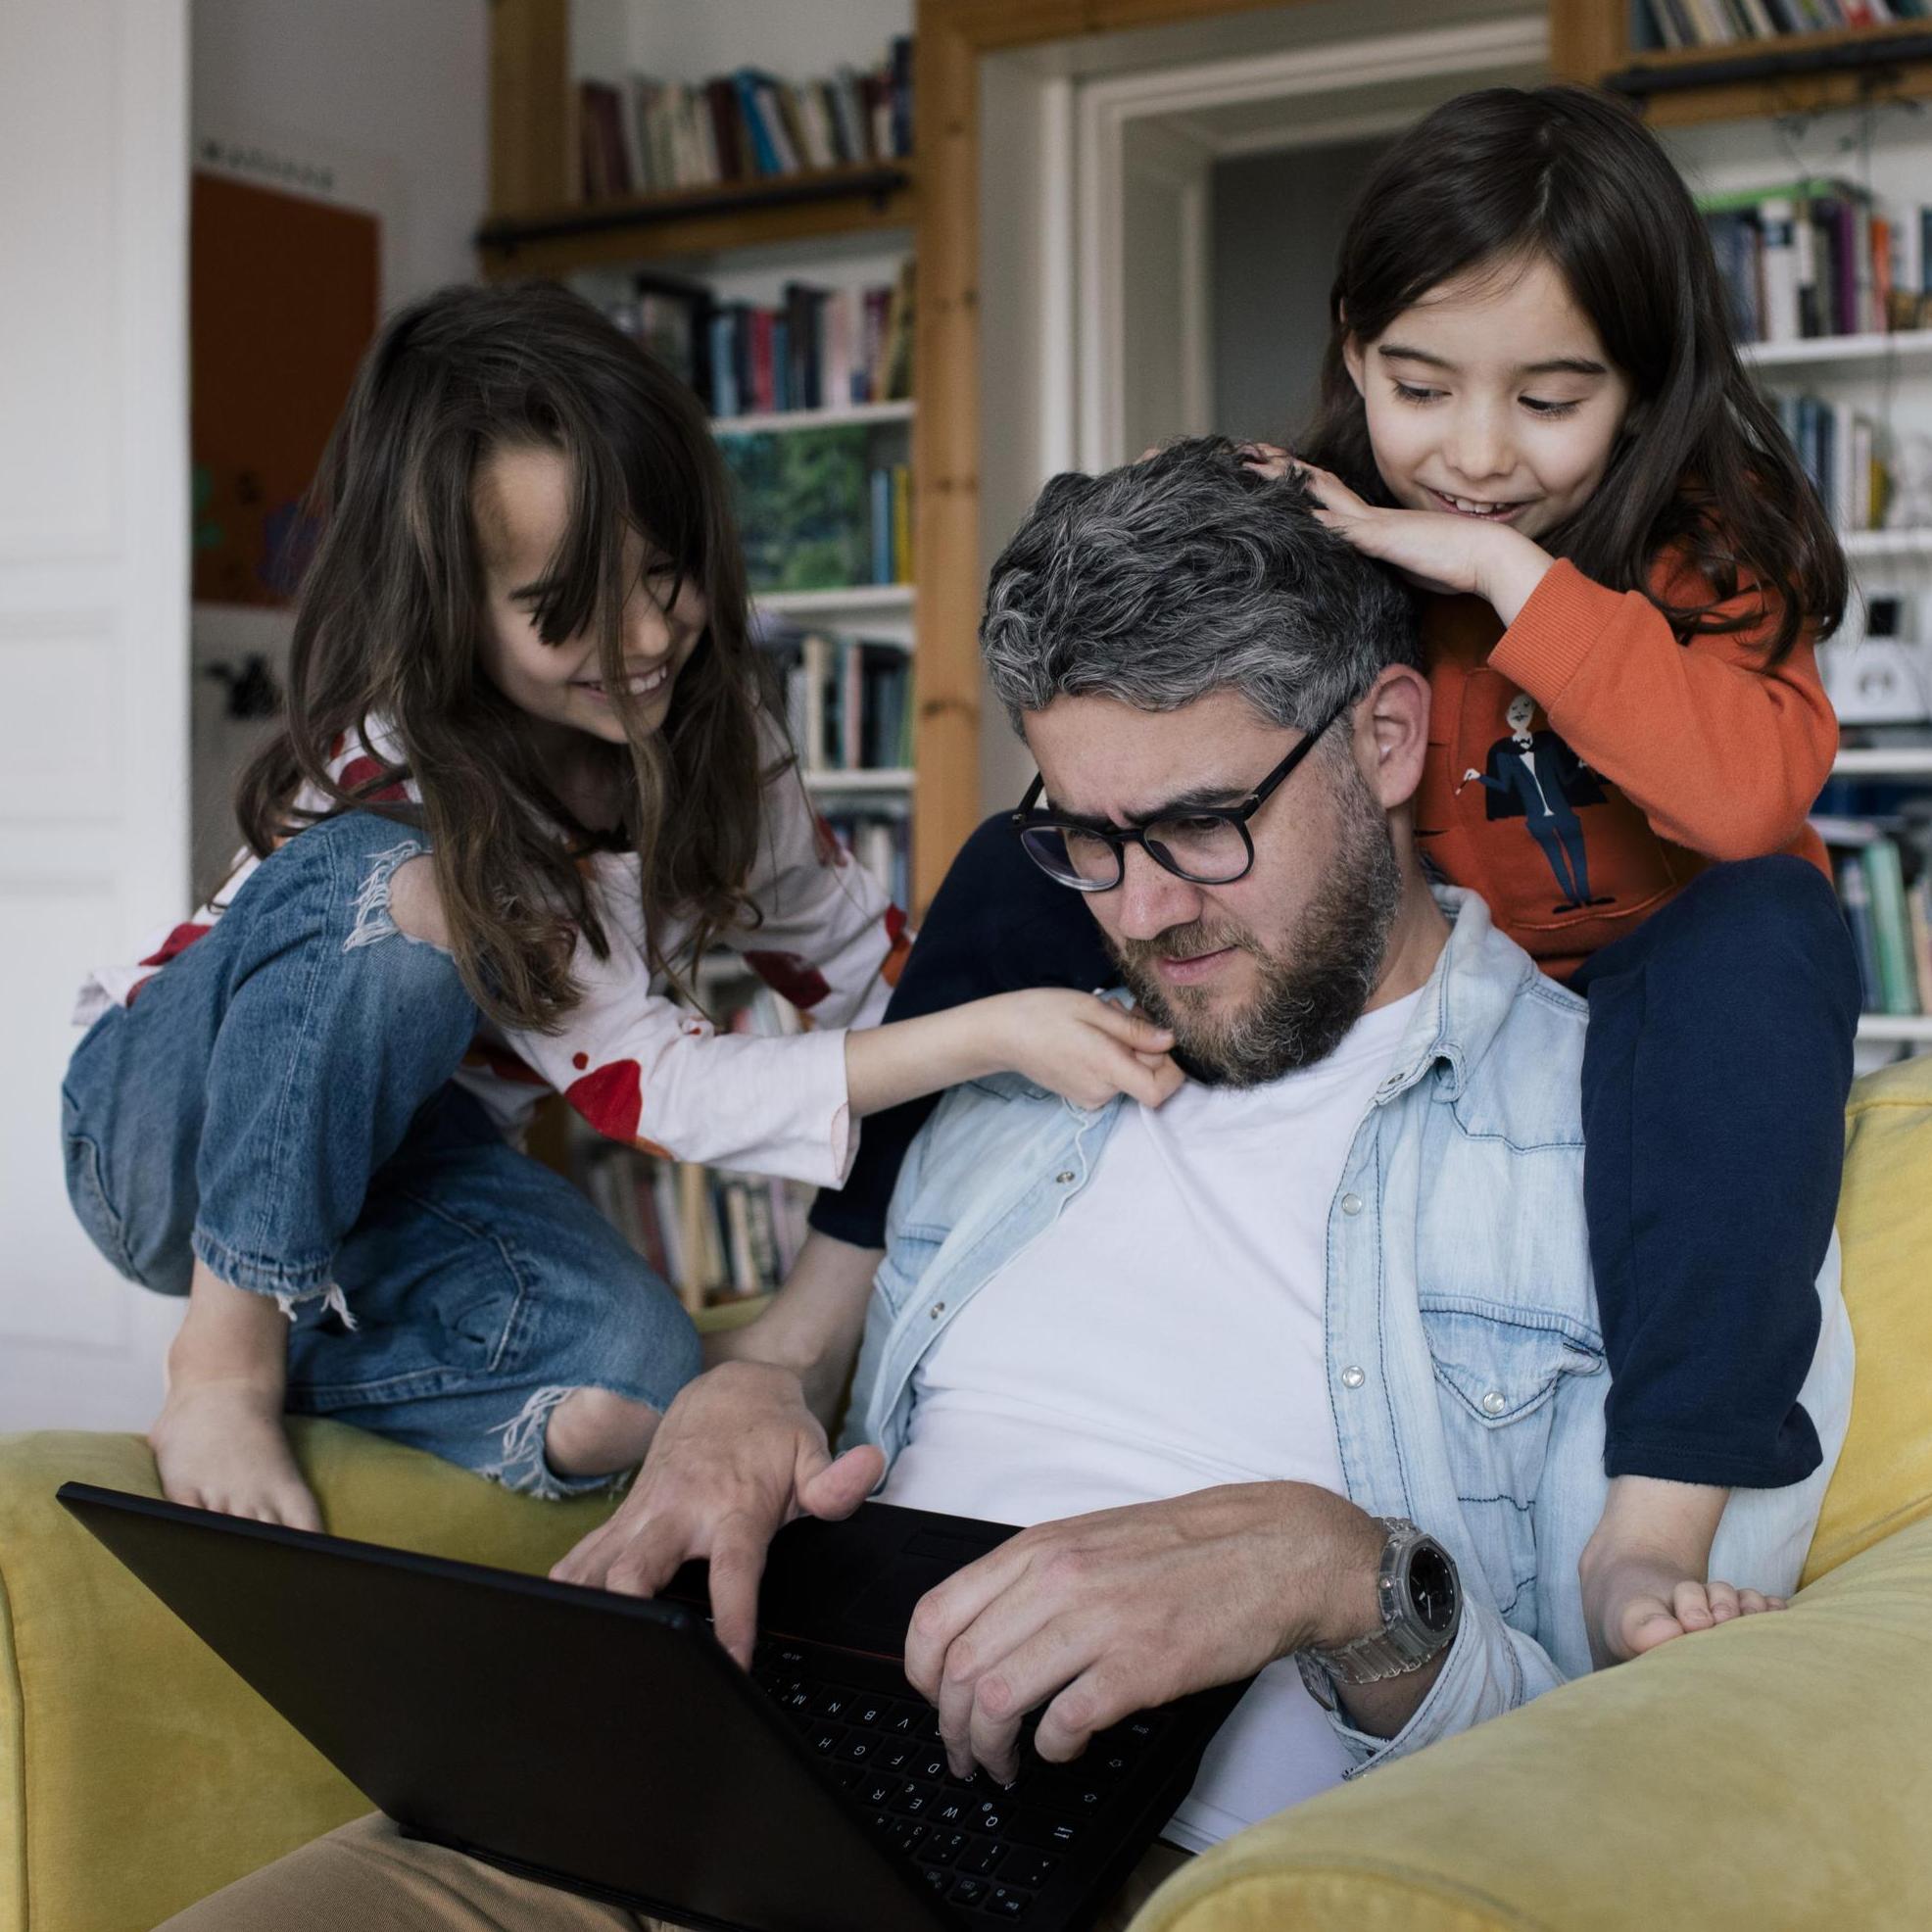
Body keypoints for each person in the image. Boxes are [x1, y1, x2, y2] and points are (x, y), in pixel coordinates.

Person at [156, 439, 1852, 1932]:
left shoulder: (1632, 1131)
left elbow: (1644, 1780)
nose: (1140, 909)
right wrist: (743, 1401)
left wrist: (1341, 1575)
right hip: (691, 1782)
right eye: (1082, 837)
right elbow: (820, 1332)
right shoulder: (1017, 1072)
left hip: (1138, 1869)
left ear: (1387, 736)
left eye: (1198, 824)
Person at [646, 82, 1862, 1671]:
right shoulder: (1347, 517)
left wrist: (1509, 577)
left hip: (1649, 968)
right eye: (1422, 386)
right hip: (871, 1675)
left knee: (1770, 926)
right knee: (1007, 865)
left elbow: (1743, 792)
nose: (1476, 457)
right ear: (1355, 349)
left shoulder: (1702, 545)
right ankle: (799, 1318)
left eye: (1547, 400)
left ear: (1645, 389)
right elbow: (1177, 712)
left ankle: (1650, 1529)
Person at [61, 283, 1180, 1536]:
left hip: (395, 1177)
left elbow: (852, 954)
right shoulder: (406, 770)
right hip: (159, 1135)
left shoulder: (715, 736)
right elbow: (656, 1083)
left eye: (666, 574)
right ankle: (224, 1357)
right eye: (565, 611)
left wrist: (995, 1094)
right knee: (401, 897)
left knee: (637, 1382)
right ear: (449, 610)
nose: (647, 636)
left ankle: (367, 1354)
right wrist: (992, 1033)